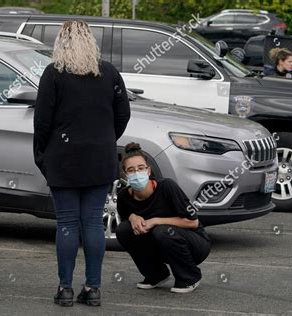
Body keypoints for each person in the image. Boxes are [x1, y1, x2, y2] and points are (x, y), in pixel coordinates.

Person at [33, 20, 131, 307]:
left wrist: (42, 154)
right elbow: (123, 113)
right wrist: (105, 137)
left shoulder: (54, 74)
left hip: (63, 158)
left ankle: (65, 288)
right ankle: (93, 287)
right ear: (91, 41)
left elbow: (42, 121)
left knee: (66, 223)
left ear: (60, 42)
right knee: (92, 223)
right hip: (99, 158)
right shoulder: (108, 72)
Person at [116, 143, 211, 294]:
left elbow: (193, 222)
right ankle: (156, 275)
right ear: (125, 175)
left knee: (162, 230)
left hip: (195, 244)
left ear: (148, 170)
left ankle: (189, 277)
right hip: (161, 245)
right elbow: (126, 219)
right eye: (131, 170)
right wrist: (132, 216)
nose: (136, 173)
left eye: (141, 168)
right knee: (124, 230)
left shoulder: (167, 187)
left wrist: (155, 221)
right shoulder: (123, 196)